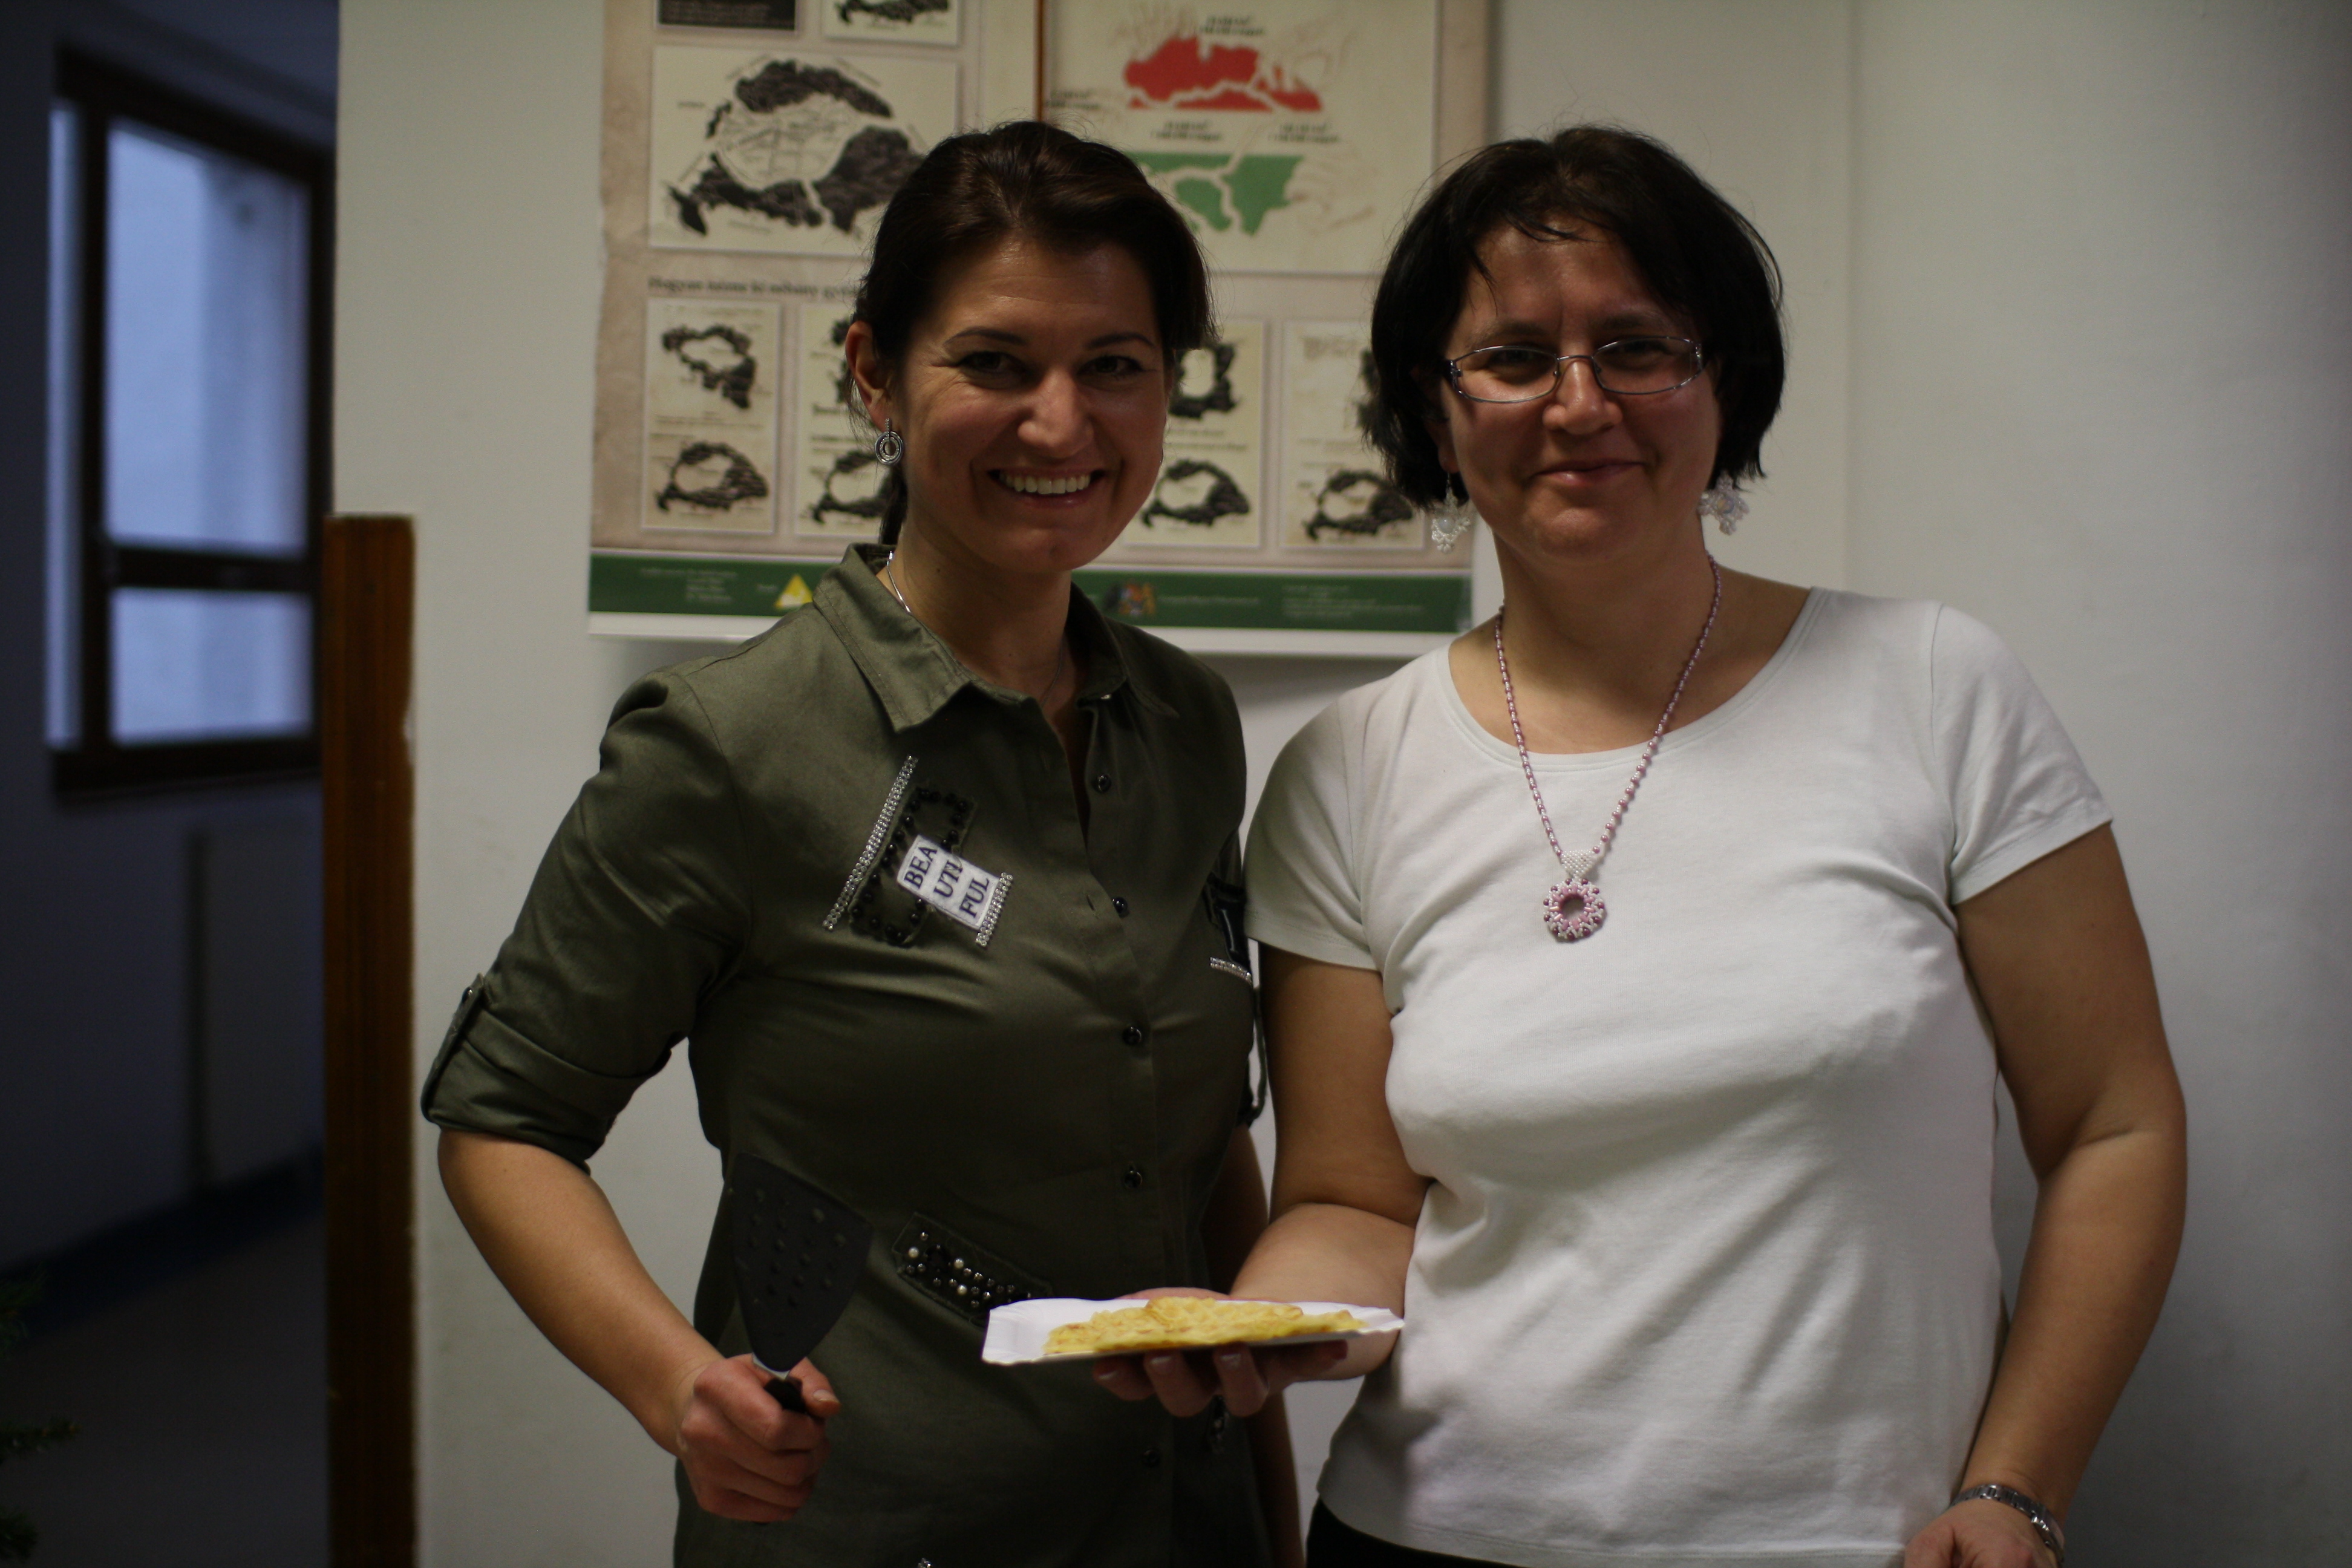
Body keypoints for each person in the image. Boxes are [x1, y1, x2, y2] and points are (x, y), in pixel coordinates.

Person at [1098, 125, 2187, 1568]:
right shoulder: (1348, 767)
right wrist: (1254, 1327)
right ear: (1433, 409)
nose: (1579, 403)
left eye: (1637, 348)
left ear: (1724, 381)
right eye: (1512, 358)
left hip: (1865, 1545)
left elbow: (2114, 1126)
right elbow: (1354, 1203)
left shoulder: (1935, 689)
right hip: (1433, 1541)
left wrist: (2017, 1489)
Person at [425, 121, 1298, 1566]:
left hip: (1175, 1523)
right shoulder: (732, 742)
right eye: (996, 363)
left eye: (1115, 365)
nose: (1062, 425)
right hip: (875, 1523)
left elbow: (1198, 1157)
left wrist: (1272, 1519)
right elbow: (505, 1122)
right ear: (876, 375)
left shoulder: (1185, 722)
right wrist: (676, 1388)